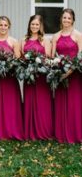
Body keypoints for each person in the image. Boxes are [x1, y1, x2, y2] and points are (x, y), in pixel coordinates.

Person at [0, 16, 23, 140]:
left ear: (9, 26)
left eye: (5, 25)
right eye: (1, 25)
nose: (3, 27)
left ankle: (10, 129)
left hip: (9, 78)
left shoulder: (14, 41)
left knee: (9, 104)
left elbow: (17, 59)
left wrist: (8, 64)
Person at [51, 8, 82, 143]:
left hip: (74, 75)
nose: (66, 20)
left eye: (69, 18)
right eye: (64, 17)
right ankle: (61, 133)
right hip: (60, 75)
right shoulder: (56, 36)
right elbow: (52, 56)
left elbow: (80, 55)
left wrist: (70, 70)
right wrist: (58, 70)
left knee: (75, 103)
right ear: (61, 19)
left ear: (73, 20)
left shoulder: (78, 35)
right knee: (61, 102)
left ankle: (76, 133)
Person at [20, 15, 53, 140]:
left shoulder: (45, 40)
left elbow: (48, 58)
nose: (34, 26)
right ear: (29, 25)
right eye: (32, 24)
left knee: (42, 103)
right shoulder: (23, 40)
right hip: (29, 77)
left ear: (40, 26)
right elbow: (21, 57)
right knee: (29, 101)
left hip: (41, 77)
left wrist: (40, 64)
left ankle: (43, 131)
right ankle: (29, 130)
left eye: (37, 24)